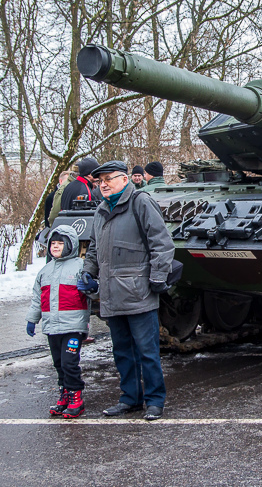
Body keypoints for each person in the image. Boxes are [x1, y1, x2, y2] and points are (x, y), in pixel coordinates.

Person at [77, 160, 174, 420]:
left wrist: (157, 276)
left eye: (109, 179)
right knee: (121, 351)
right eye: (100, 181)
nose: (104, 184)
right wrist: (89, 271)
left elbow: (162, 243)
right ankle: (130, 398)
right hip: (111, 293)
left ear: (124, 179)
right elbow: (95, 248)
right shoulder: (100, 211)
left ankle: (154, 401)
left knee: (147, 352)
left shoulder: (140, 202)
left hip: (138, 292)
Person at [26, 225, 91, 419]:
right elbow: (37, 297)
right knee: (58, 363)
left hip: (73, 327)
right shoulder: (45, 271)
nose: (55, 247)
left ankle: (75, 396)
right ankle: (64, 393)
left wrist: (91, 287)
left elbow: (93, 292)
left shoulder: (80, 266)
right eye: (52, 243)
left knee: (70, 362)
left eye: (60, 243)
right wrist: (32, 319)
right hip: (52, 327)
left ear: (70, 245)